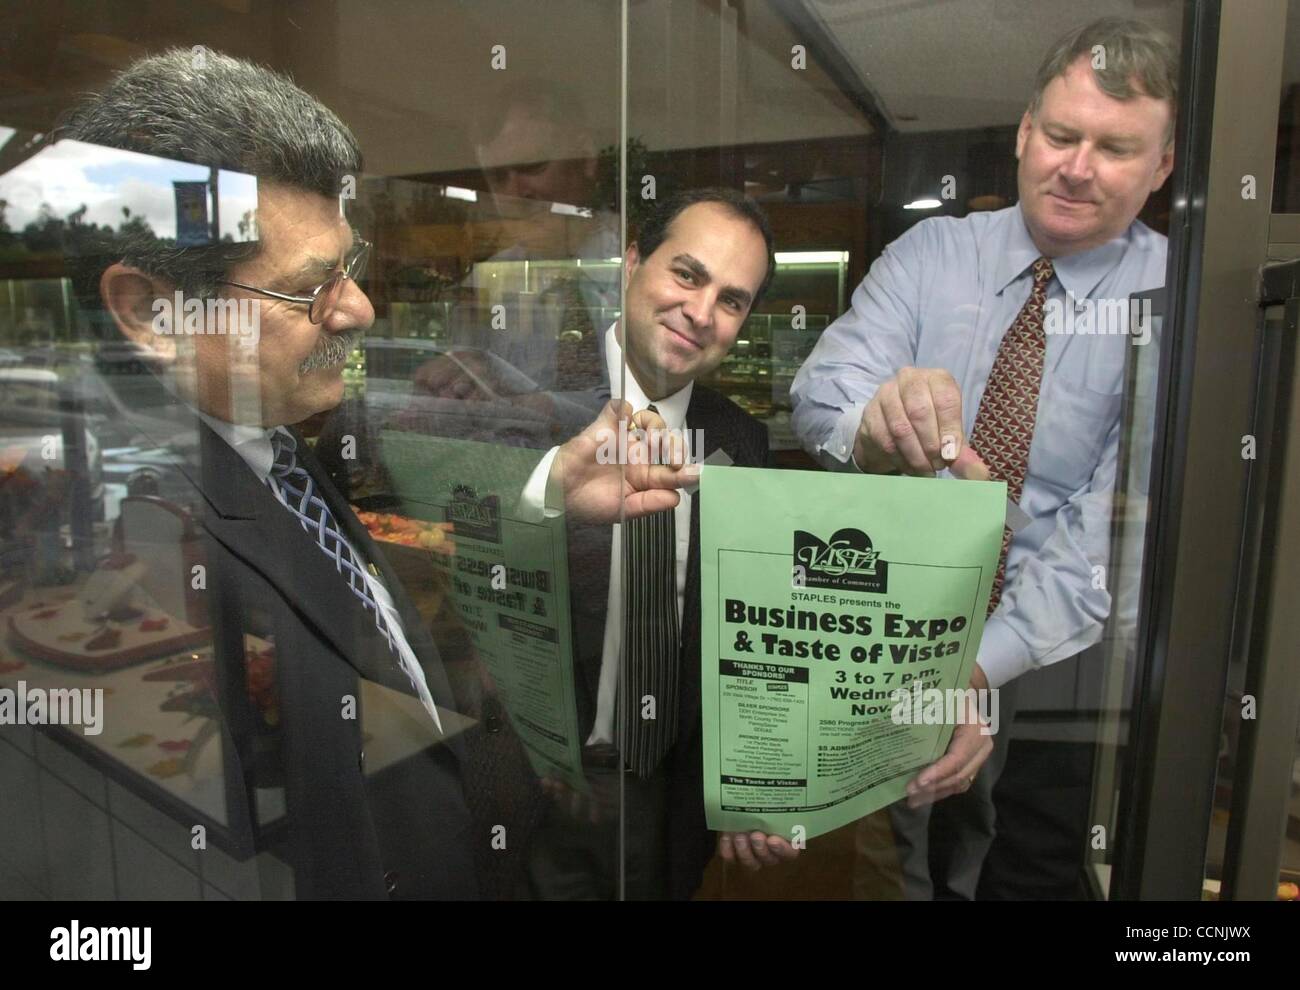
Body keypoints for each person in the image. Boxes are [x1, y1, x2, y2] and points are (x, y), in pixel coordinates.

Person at [61, 48, 691, 900]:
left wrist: (548, 494)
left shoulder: (280, 445)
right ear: (151, 310)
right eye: (310, 287)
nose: (358, 308)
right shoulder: (146, 536)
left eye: (348, 266)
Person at [789, 17, 1176, 900]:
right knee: (891, 872)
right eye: (1062, 134)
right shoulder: (933, 256)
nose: (1076, 167)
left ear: (1159, 171)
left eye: (1115, 148)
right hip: (894, 648)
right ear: (1024, 133)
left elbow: (1113, 534)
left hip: (1061, 685)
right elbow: (820, 395)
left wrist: (969, 671)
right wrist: (871, 432)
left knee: (1028, 876)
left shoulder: (1170, 302)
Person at [523, 188, 797, 899]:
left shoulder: (741, 441)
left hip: (671, 797)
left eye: (732, 300)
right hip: (536, 785)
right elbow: (460, 538)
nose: (701, 313)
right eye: (687, 274)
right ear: (634, 261)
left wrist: (744, 780)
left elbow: (749, 631)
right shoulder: (527, 398)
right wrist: (548, 491)